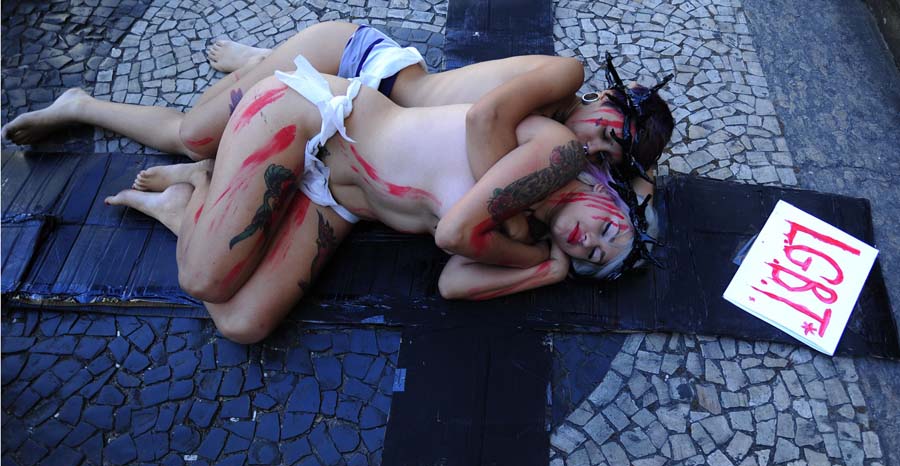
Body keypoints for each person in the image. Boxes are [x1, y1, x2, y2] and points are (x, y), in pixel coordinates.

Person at [95, 52, 669, 344]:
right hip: (313, 120)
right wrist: (528, 246)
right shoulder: (557, 152)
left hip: (339, 195)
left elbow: (453, 283)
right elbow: (453, 235)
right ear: (611, 197)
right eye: (607, 230)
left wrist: (546, 269)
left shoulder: (531, 232)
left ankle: (189, 204)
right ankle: (206, 180)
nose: (588, 241)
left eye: (591, 257)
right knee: (205, 281)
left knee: (241, 324)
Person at [2, 21, 672, 186]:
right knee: (193, 138)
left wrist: (635, 180)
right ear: (604, 95)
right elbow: (483, 120)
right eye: (606, 131)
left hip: (355, 115)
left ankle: (264, 62)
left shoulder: (561, 150)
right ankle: (81, 103)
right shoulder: (564, 76)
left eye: (605, 156)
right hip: (355, 64)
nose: (592, 147)